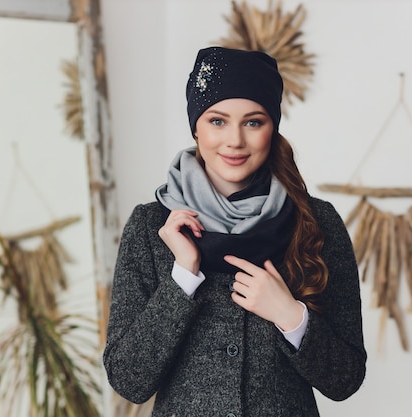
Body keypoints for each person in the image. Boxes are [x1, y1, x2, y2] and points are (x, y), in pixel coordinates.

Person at [103, 46, 366, 417]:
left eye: (253, 122)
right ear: (195, 126)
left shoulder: (316, 222)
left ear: (272, 127)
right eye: (217, 121)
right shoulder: (150, 227)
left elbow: (346, 380)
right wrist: (182, 278)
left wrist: (291, 317)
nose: (235, 141)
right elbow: (129, 380)